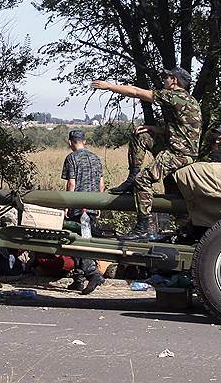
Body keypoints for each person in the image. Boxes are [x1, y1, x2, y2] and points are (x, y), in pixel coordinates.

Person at [90, 67, 202, 241]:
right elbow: (183, 130)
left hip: (179, 153)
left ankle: (143, 226)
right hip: (177, 147)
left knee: (143, 180)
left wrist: (109, 86)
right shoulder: (189, 100)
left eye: (167, 77)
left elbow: (136, 91)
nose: (163, 79)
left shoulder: (175, 96)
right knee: (141, 135)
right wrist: (154, 128)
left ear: (175, 81)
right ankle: (131, 177)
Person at [60, 130, 106, 295]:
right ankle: (78, 280)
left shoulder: (71, 158)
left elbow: (71, 184)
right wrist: (99, 204)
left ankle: (92, 274)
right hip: (92, 206)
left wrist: (67, 204)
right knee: (86, 240)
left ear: (70, 142)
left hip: (78, 208)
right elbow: (102, 184)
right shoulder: (96, 158)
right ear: (84, 141)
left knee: (77, 241)